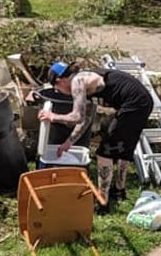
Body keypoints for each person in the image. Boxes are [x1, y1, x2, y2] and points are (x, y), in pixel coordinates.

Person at [38, 61, 154, 212]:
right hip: (143, 101)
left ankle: (102, 202)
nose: (59, 92)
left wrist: (53, 116)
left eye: (57, 88)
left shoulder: (77, 82)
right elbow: (86, 118)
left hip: (134, 104)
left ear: (60, 81)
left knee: (104, 152)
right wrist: (69, 142)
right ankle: (119, 191)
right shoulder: (84, 79)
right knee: (123, 148)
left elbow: (76, 117)